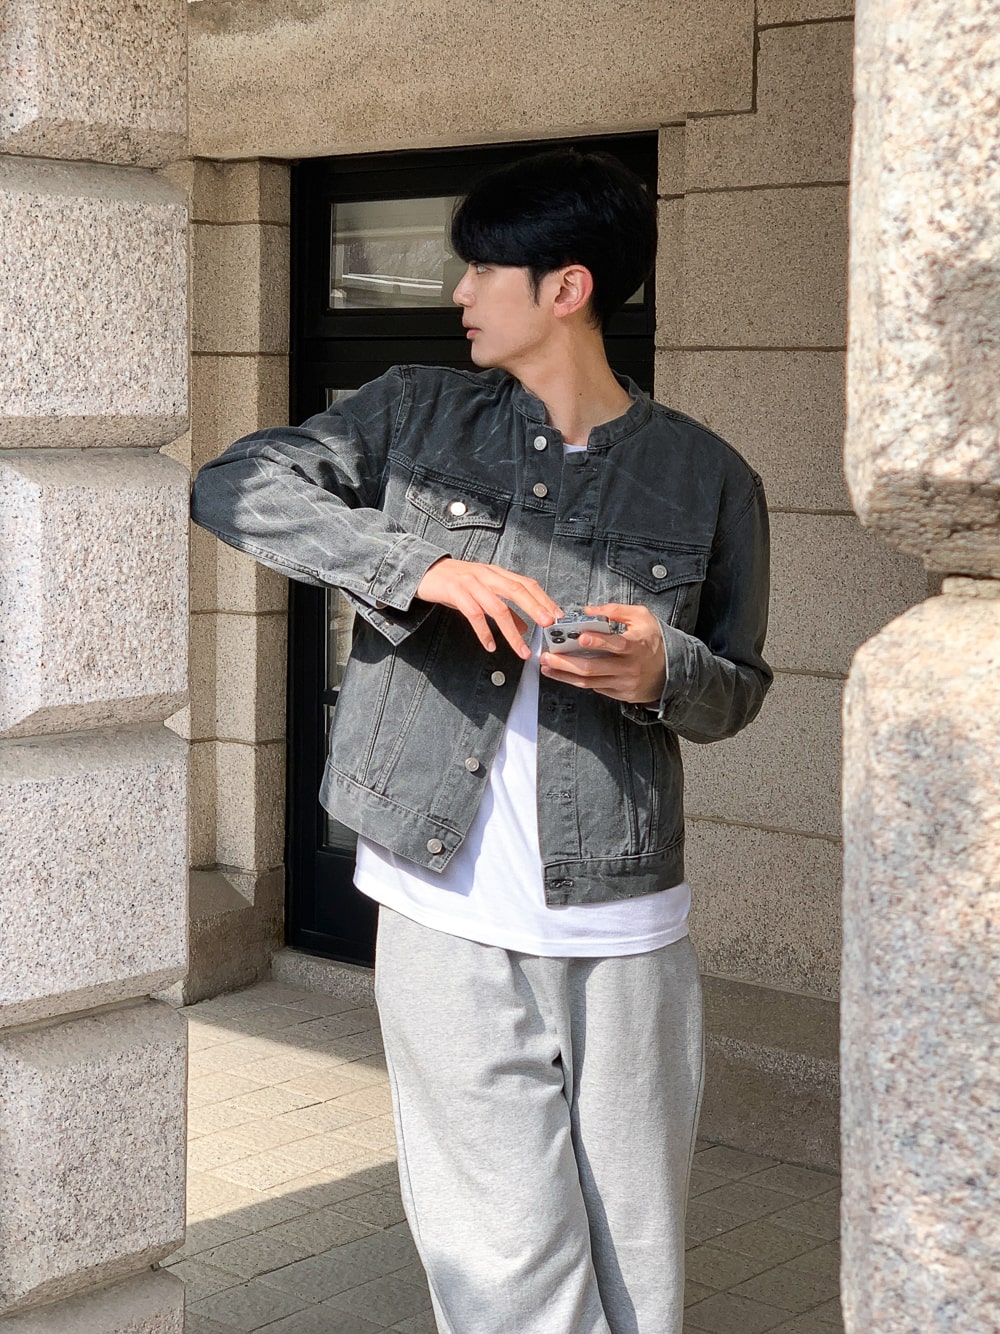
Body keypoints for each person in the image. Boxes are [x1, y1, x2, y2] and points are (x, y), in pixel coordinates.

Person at [191, 147, 771, 1334]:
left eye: (480, 270)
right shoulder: (414, 413)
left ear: (566, 287)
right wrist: (419, 565)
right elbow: (234, 484)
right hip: (439, 900)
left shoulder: (709, 477)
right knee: (498, 1250)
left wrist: (665, 671)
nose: (458, 292)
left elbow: (737, 688)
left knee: (634, 1242)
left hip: (623, 920)